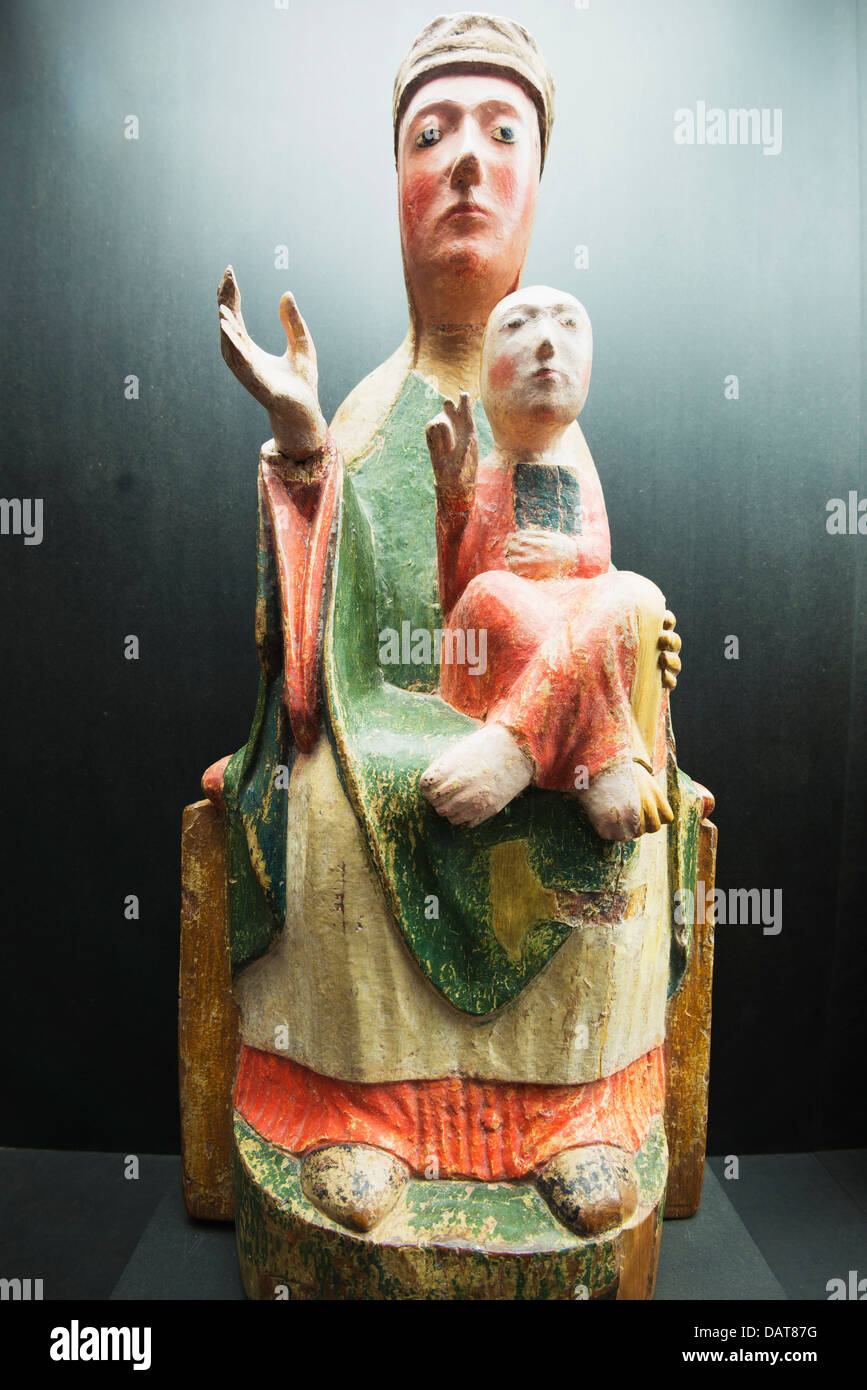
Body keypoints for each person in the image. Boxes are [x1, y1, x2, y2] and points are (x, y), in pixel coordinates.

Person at [209, 13, 700, 1242]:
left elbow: (581, 585)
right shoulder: (371, 410)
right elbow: (314, 650)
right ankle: (357, 1114)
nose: (468, 163)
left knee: (628, 804)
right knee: (323, 799)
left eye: (501, 133)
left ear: (539, 184)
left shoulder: (553, 417)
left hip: (537, 720)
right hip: (398, 711)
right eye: (434, 136)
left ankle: (577, 1115)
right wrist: (301, 444)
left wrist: (643, 662)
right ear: (396, 187)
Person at [422, 283, 674, 841]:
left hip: (568, 626)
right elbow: (458, 599)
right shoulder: (485, 474)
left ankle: (514, 748)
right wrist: (454, 500)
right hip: (508, 633)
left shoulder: (581, 479)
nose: (545, 344)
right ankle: (607, 763)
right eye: (518, 325)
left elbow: (598, 564)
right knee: (492, 593)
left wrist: (573, 557)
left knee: (637, 594)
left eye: (567, 325)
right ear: (485, 371)